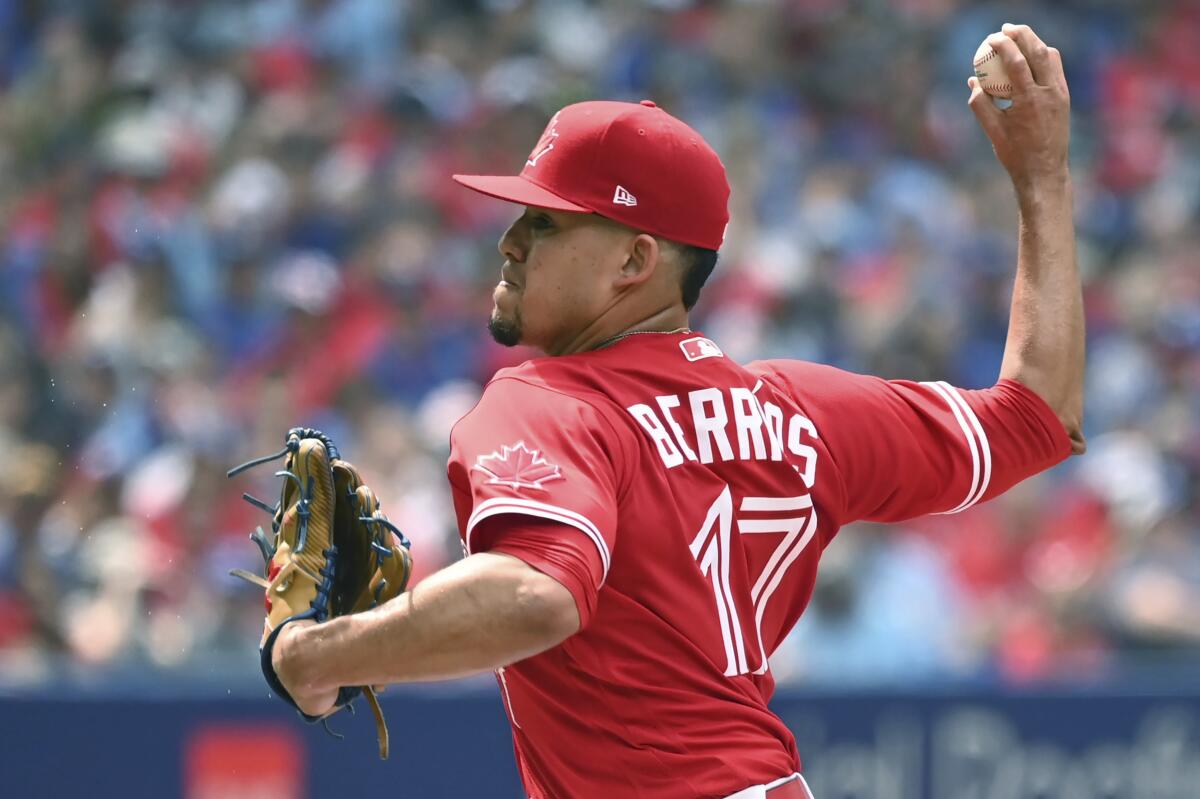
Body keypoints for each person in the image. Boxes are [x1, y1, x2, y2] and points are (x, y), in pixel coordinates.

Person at [269, 23, 1083, 799]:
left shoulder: (551, 402)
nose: (510, 241)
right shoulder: (801, 411)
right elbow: (1039, 412)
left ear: (634, 259)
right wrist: (1042, 178)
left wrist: (316, 655)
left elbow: (537, 595)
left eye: (545, 223)